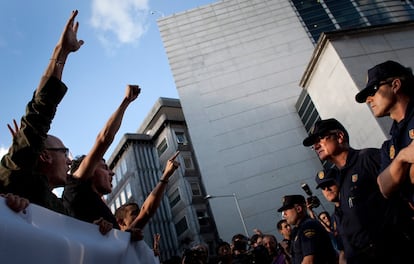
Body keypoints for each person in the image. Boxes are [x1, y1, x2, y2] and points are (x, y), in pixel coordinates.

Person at [0, 10, 83, 215]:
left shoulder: (58, 209)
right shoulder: (18, 177)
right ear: (45, 156)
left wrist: (102, 231)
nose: (70, 161)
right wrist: (61, 52)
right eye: (65, 153)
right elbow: (39, 113)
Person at [303, 118, 407, 263]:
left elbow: (403, 191)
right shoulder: (340, 181)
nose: (316, 145)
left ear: (339, 137)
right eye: (314, 143)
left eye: (320, 138)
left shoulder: (367, 158)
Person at [62, 84, 140, 229]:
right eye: (105, 168)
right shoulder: (75, 188)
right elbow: (104, 139)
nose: (112, 172)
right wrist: (126, 102)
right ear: (89, 170)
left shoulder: (99, 207)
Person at [355, 60, 414, 215]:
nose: (369, 99)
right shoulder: (390, 145)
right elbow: (384, 186)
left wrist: (400, 176)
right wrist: (402, 157)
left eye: (373, 90)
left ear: (395, 85)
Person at [277, 195, 337, 264]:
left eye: (286, 210)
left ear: (298, 209)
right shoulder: (297, 230)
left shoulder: (308, 226)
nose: (284, 214)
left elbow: (309, 261)